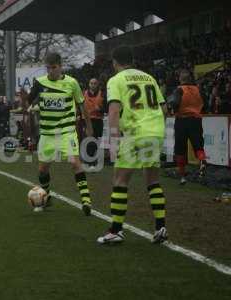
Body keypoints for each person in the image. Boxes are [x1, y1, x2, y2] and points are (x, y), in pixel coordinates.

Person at [97, 46, 168, 244]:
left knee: (120, 180)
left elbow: (113, 111)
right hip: (155, 132)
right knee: (153, 181)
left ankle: (116, 230)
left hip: (134, 133)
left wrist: (113, 139)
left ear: (114, 62)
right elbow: (164, 109)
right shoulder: (149, 78)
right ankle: (161, 226)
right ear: (133, 60)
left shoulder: (116, 80)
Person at [21, 52, 94, 216]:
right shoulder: (39, 83)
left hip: (66, 131)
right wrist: (27, 103)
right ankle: (46, 197)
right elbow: (28, 103)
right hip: (47, 133)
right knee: (43, 170)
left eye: (53, 67)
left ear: (60, 66)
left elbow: (82, 106)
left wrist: (88, 127)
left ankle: (86, 200)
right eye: (48, 68)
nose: (50, 71)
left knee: (75, 163)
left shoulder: (72, 83)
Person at [171, 70, 207, 185]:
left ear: (180, 79)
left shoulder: (179, 89)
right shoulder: (198, 89)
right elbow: (204, 101)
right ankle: (202, 161)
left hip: (182, 120)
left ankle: (182, 176)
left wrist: (173, 109)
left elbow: (175, 103)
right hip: (196, 120)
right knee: (198, 145)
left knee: (180, 149)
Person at [82, 78, 105, 170]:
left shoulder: (102, 94)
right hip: (87, 120)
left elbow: (107, 107)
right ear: (89, 84)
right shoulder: (84, 94)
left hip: (98, 120)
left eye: (95, 83)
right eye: (91, 83)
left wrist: (100, 109)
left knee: (96, 140)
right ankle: (90, 162)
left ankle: (91, 160)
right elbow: (79, 105)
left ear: (98, 84)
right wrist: (79, 115)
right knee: (89, 140)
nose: (93, 85)